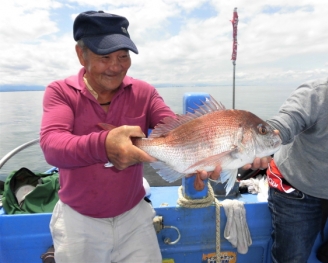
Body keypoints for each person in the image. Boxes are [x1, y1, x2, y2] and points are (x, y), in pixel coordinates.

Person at [40, 10, 268, 263]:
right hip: (79, 222)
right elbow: (52, 145)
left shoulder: (143, 92)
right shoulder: (60, 92)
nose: (116, 66)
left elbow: (173, 129)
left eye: (123, 56)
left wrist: (202, 156)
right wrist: (104, 144)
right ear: (81, 54)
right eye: (105, 57)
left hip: (134, 217)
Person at [266, 36, 328, 263]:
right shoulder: (316, 94)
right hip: (298, 193)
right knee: (291, 259)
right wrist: (259, 142)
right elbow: (284, 122)